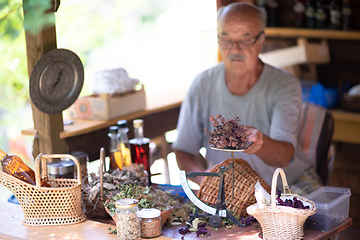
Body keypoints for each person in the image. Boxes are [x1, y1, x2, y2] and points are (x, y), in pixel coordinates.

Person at [172, 2, 322, 194]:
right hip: (230, 193)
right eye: (226, 39)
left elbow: (284, 157)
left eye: (245, 39)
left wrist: (260, 144)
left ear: (260, 41)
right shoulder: (202, 84)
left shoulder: (284, 84)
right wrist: (207, 182)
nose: (234, 48)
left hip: (286, 184)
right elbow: (183, 151)